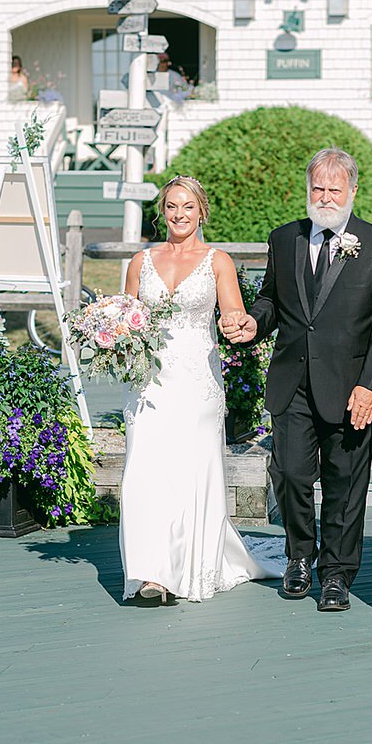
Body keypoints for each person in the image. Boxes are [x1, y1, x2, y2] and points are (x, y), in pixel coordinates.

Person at [223, 148, 372, 612]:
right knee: (290, 475)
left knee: (345, 484)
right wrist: (252, 324)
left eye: (334, 189)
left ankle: (337, 575)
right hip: (292, 383)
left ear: (353, 192)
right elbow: (271, 301)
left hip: (352, 388)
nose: (325, 197)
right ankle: (300, 556)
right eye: (317, 188)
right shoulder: (284, 239)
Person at [119, 176, 284, 604]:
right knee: (145, 473)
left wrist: (238, 325)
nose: (178, 215)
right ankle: (151, 574)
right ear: (162, 211)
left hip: (196, 381)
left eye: (187, 207)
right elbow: (125, 319)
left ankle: (183, 568)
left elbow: (233, 313)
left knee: (188, 474)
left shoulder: (217, 261)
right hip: (149, 382)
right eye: (171, 206)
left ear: (201, 211)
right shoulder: (141, 261)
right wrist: (107, 334)